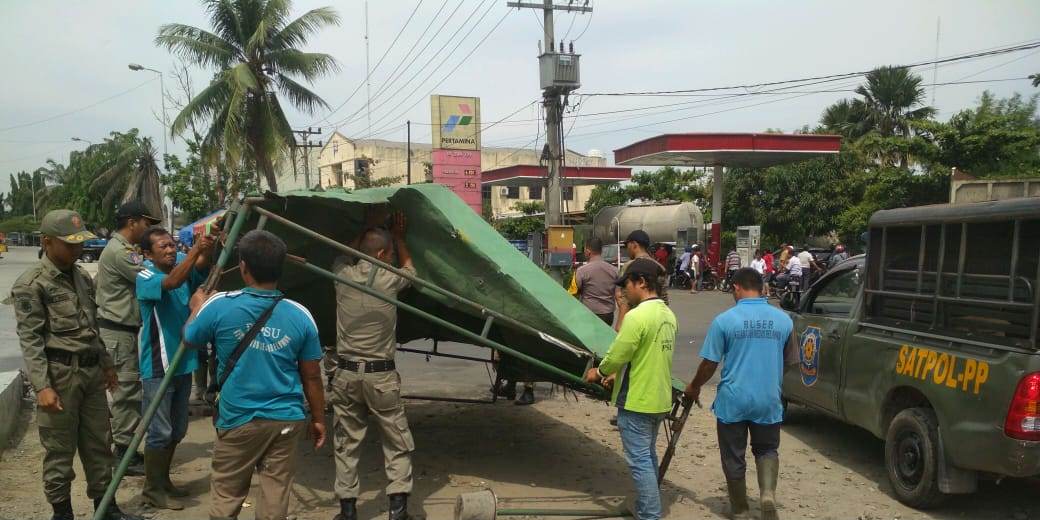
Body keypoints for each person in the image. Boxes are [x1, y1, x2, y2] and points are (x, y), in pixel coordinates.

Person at [183, 230, 326, 520]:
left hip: (238, 418)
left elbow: (189, 337)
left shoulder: (219, 304)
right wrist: (319, 419)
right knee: (275, 498)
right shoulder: (301, 314)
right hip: (286, 419)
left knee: (226, 498)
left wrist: (196, 306)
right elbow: (312, 376)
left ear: (243, 267)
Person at [12, 209, 142, 520]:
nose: (77, 248)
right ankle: (62, 514)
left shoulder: (82, 277)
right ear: (47, 242)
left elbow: (91, 326)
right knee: (59, 449)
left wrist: (106, 363)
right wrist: (42, 386)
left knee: (100, 443)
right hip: (59, 375)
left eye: (79, 242)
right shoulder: (32, 284)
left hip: (91, 373)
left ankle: (106, 509)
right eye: (69, 244)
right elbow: (31, 340)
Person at [684, 268, 795, 520]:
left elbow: (709, 364)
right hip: (768, 399)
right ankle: (767, 493)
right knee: (767, 449)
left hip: (733, 400)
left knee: (733, 456)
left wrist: (695, 386)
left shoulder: (724, 320)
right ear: (761, 287)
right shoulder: (784, 320)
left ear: (736, 287)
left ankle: (740, 509)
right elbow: (790, 361)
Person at [330, 217, 417, 520]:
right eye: (389, 253)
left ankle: (348, 511)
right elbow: (411, 270)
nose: (392, 258)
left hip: (346, 374)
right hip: (381, 375)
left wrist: (365, 230)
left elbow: (343, 253)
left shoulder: (342, 273)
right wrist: (399, 237)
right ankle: (398, 511)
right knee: (396, 441)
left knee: (346, 442)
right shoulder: (390, 279)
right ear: (382, 254)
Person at [584, 258, 677, 520]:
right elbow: (646, 355)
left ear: (642, 283)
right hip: (659, 398)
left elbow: (618, 353)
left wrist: (599, 372)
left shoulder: (637, 316)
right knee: (647, 456)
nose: (624, 291)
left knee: (640, 462)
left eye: (627, 285)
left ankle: (650, 514)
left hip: (637, 400)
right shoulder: (668, 315)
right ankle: (649, 508)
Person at [134, 226, 214, 510]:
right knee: (160, 431)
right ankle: (152, 489)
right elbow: (171, 282)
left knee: (177, 429)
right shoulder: (146, 275)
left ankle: (163, 481)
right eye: (163, 247)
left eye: (172, 245)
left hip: (183, 362)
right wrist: (195, 251)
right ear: (147, 254)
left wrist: (206, 247)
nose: (170, 250)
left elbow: (198, 267)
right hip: (160, 365)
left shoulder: (180, 265)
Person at [96, 201, 161, 475]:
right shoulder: (121, 252)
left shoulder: (124, 249)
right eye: (146, 223)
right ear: (132, 222)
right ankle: (124, 452)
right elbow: (151, 278)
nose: (148, 229)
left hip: (122, 330)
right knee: (126, 392)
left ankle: (125, 448)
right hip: (117, 330)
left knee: (127, 389)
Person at [615, 230, 668, 329]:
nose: (627, 249)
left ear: (634, 244)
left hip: (635, 321)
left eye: (627, 245)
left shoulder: (630, 266)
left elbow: (625, 299)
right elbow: (664, 298)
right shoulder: (660, 267)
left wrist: (620, 325)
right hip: (656, 320)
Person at [575, 237, 619, 325]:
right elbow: (618, 293)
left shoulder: (581, 271)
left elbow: (576, 290)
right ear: (601, 251)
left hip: (589, 313)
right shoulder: (614, 270)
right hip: (608, 314)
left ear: (588, 252)